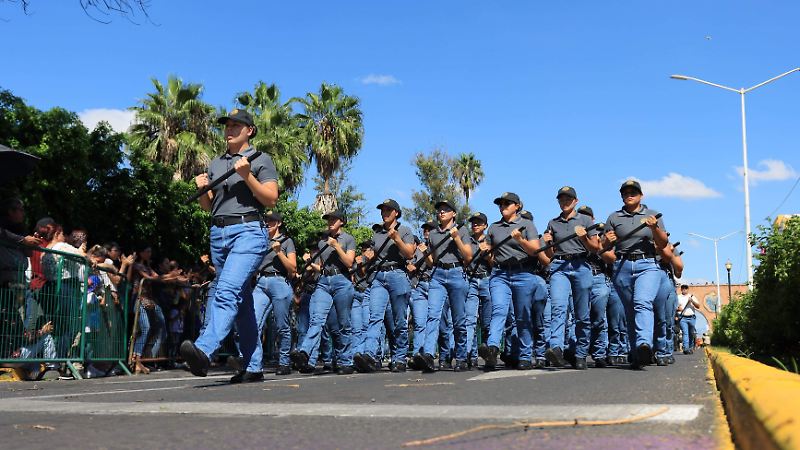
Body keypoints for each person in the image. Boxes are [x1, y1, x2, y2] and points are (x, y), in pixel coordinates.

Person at [181, 108, 279, 381]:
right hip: (218, 233)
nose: (230, 130)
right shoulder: (216, 163)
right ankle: (253, 366)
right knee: (242, 303)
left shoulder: (260, 159)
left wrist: (248, 175)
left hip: (248, 231)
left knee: (225, 291)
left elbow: (271, 198)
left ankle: (204, 350)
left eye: (237, 125)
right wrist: (202, 189)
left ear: (250, 130)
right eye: (227, 126)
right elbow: (208, 206)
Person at [478, 192, 549, 371]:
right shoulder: (494, 227)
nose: (503, 207)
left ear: (517, 206)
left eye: (507, 203)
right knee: (499, 310)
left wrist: (520, 239)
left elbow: (535, 250)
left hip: (523, 273)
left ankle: (525, 355)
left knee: (522, 315)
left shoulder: (527, 225)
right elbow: (491, 257)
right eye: (500, 204)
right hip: (500, 274)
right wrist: (485, 251)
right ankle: (492, 347)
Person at [603, 180, 668, 369]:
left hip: (647, 264)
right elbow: (603, 247)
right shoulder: (613, 217)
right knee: (630, 311)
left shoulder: (652, 215)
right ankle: (637, 353)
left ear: (641, 195)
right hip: (622, 265)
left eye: (633, 192)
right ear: (622, 196)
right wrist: (607, 240)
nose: (629, 195)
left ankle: (644, 344)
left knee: (642, 302)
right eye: (625, 193)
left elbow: (663, 243)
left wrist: (654, 228)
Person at [541, 187, 601, 370]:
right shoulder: (553, 222)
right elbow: (550, 254)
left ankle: (581, 353)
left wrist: (584, 238)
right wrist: (548, 242)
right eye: (561, 199)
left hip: (581, 265)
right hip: (559, 266)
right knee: (558, 308)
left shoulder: (585, 220)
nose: (565, 202)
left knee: (581, 314)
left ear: (576, 201)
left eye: (568, 199)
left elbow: (595, 248)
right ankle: (556, 348)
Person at [292, 209, 356, 375]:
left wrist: (336, 246)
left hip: (342, 280)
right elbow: (321, 267)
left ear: (342, 221)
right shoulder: (322, 241)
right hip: (324, 281)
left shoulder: (348, 239)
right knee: (316, 319)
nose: (330, 221)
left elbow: (349, 262)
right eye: (328, 219)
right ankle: (304, 352)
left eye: (334, 219)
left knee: (343, 323)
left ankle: (346, 361)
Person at [354, 199, 415, 373]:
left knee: (399, 320)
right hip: (379, 276)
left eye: (388, 210)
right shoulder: (377, 233)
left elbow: (410, 254)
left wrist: (397, 239)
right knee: (375, 317)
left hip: (398, 274)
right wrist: (366, 257)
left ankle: (399, 358)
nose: (384, 213)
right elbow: (373, 254)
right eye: (382, 210)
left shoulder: (405, 230)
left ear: (396, 213)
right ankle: (369, 354)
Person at [414, 200, 472, 373]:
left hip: (457, 272)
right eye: (440, 210)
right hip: (438, 275)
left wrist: (457, 238)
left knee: (459, 319)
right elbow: (431, 262)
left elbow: (468, 256)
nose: (442, 212)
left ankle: (461, 357)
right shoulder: (433, 233)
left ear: (454, 213)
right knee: (433, 315)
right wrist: (425, 252)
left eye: (446, 209)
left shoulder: (462, 230)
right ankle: (429, 354)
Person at [250, 211, 296, 376]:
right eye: (266, 220)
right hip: (261, 282)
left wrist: (279, 252)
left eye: (271, 220)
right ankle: (253, 364)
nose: (267, 223)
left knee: (282, 326)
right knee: (252, 322)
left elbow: (293, 269)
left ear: (279, 223)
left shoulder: (287, 241)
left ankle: (284, 362)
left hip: (280, 281)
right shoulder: (260, 241)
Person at [576, 205, 611, 368]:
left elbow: (609, 257)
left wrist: (600, 243)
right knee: (580, 317)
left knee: (598, 317)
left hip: (598, 277)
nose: (584, 218)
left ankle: (599, 353)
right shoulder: (571, 234)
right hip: (578, 277)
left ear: (592, 219)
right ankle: (579, 353)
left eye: (587, 216)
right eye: (581, 215)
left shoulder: (602, 235)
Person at [465, 212, 491, 369]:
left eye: (479, 222)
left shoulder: (490, 240)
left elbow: (494, 262)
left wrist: (486, 254)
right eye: (473, 222)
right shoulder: (467, 241)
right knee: (470, 320)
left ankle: (488, 354)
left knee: (487, 322)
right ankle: (469, 355)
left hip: (487, 279)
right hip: (471, 280)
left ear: (485, 226)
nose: (475, 225)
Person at [676, 284, 700, 354]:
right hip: (683, 318)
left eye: (686, 288)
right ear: (681, 289)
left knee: (691, 333)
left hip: (692, 317)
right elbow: (674, 307)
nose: (684, 289)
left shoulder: (692, 296)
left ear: (688, 289)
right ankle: (686, 348)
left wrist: (692, 301)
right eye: (683, 288)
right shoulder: (678, 297)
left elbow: (698, 306)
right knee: (685, 333)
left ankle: (690, 347)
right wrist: (678, 309)